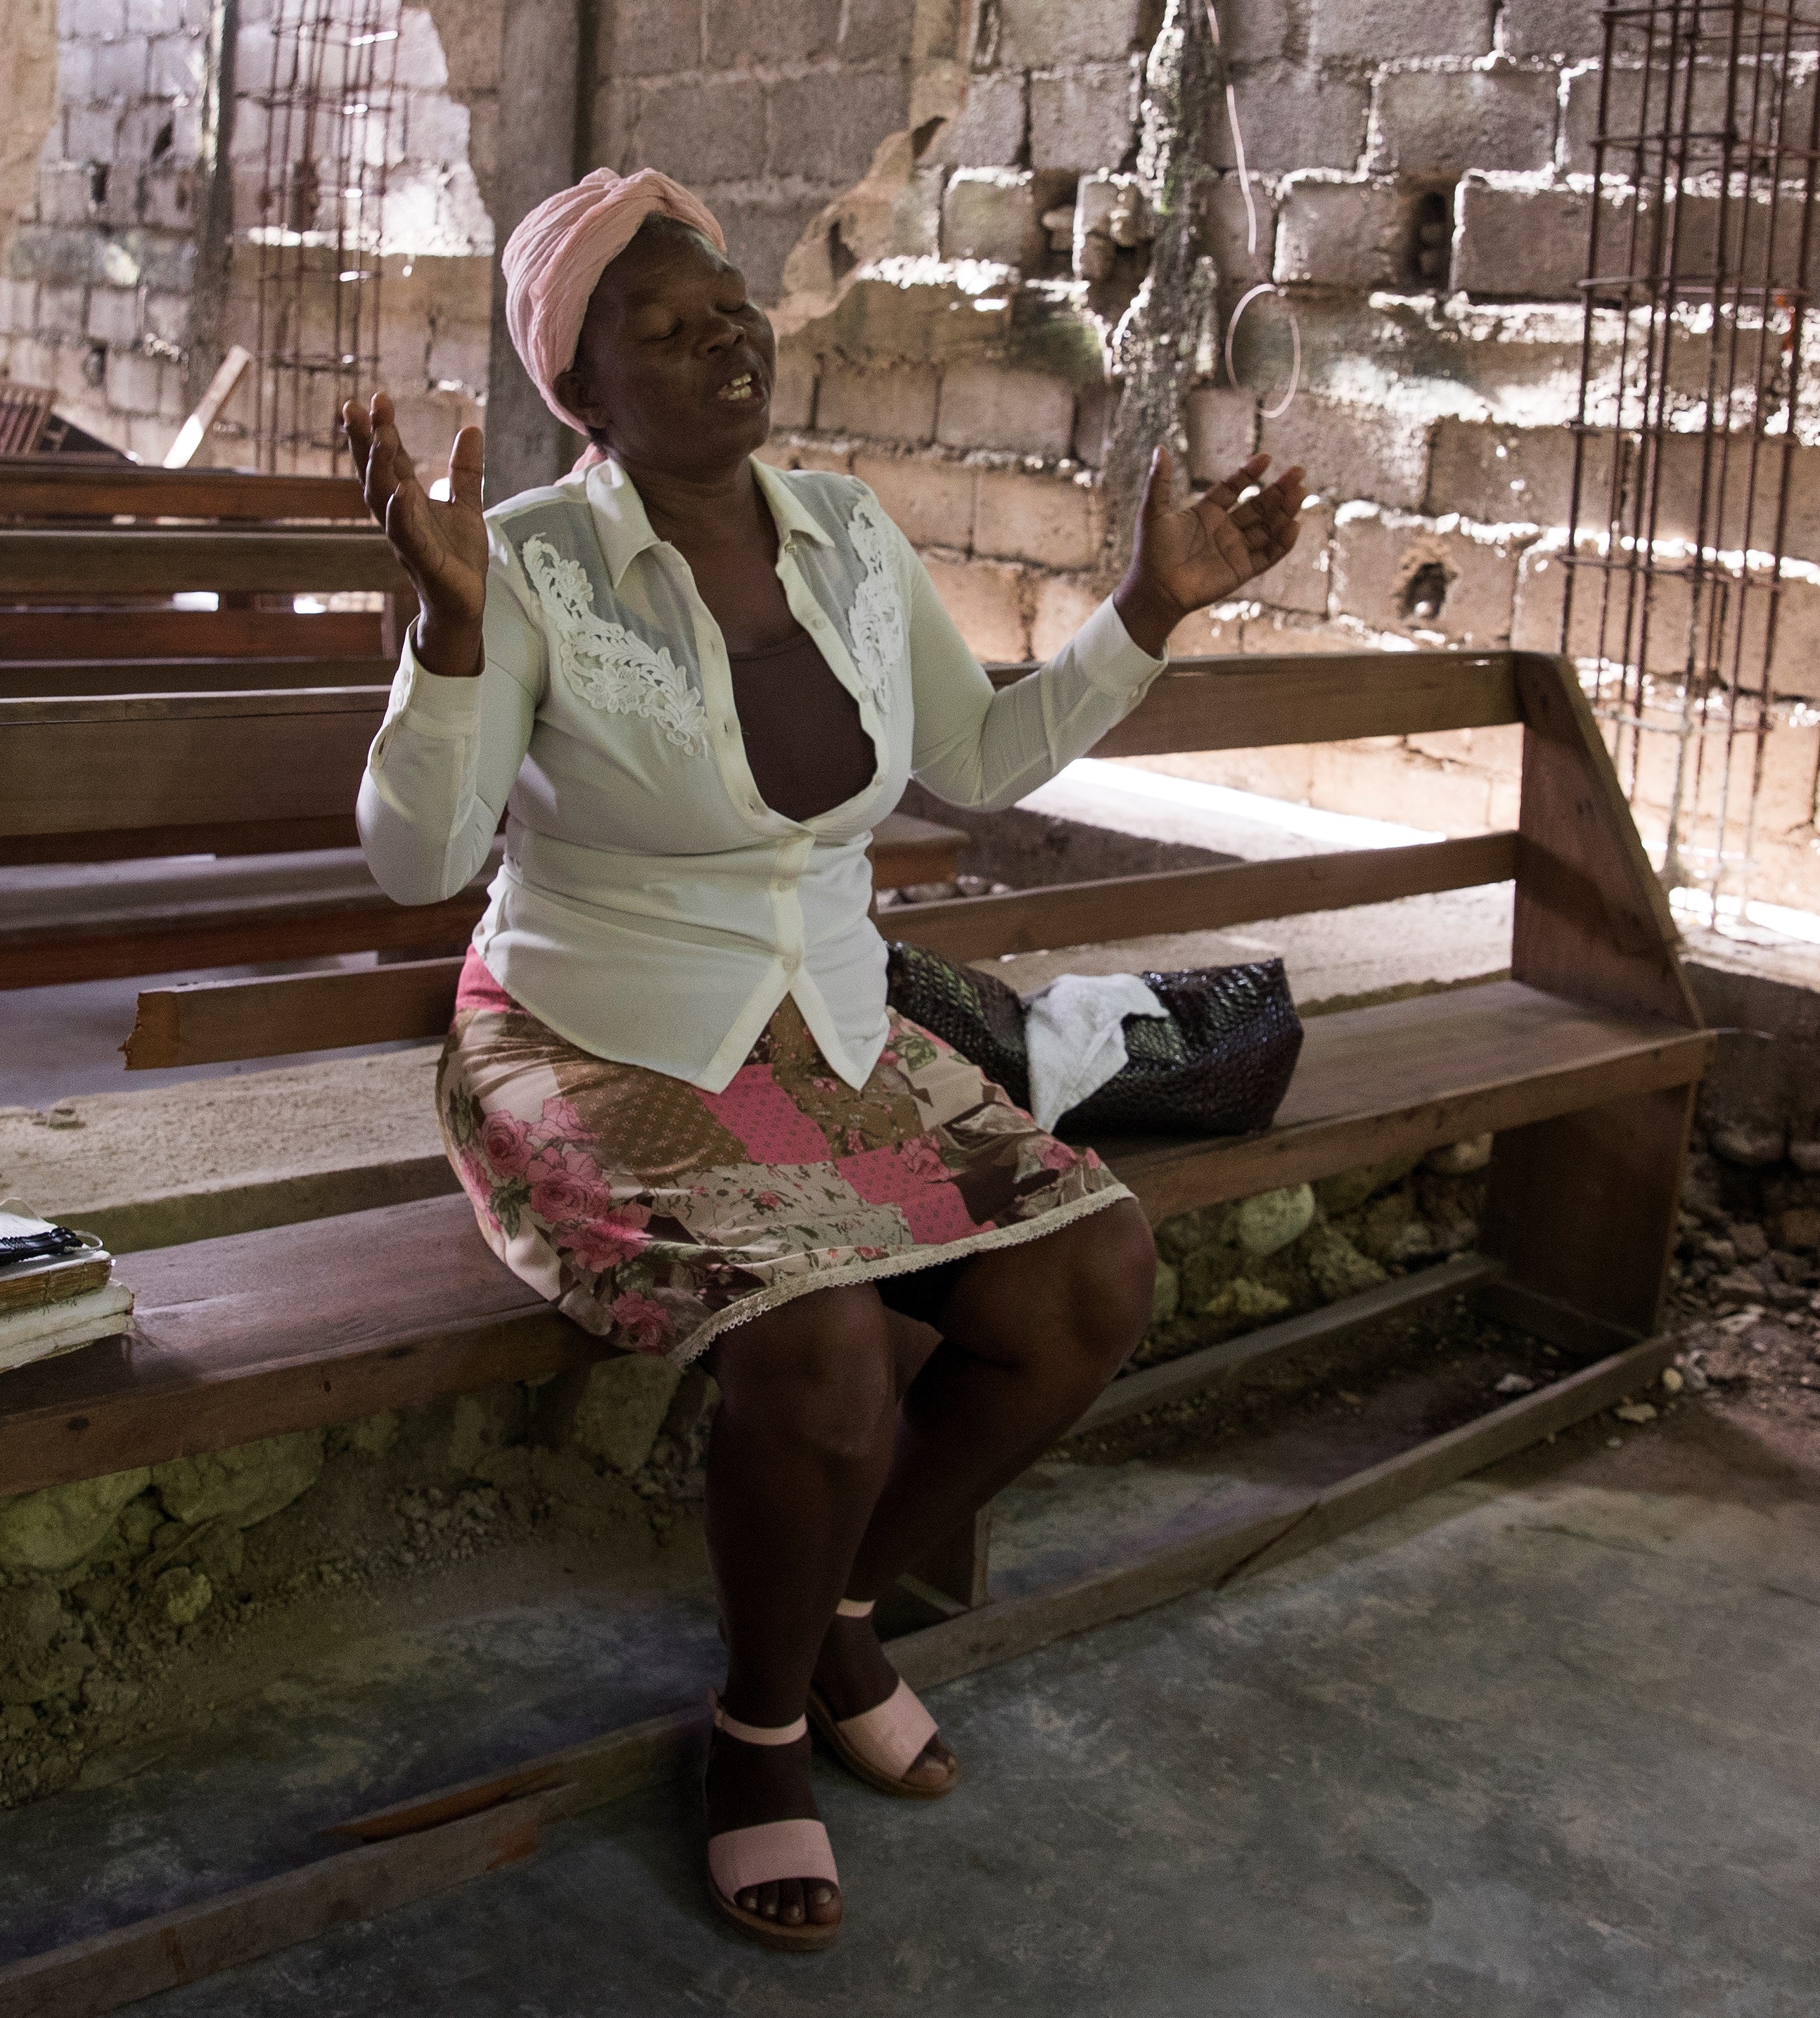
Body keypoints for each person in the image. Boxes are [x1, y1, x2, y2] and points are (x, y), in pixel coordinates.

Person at [343, 167, 1307, 1952]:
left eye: (731, 308)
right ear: (582, 386)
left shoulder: (847, 535)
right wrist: (449, 638)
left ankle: (841, 1606)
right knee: (823, 1344)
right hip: (593, 1030)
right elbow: (415, 861)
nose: (721, 336)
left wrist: (1145, 611)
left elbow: (983, 755)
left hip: (831, 1026)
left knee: (1090, 1275)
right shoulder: (530, 563)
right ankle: (757, 1729)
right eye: (662, 322)